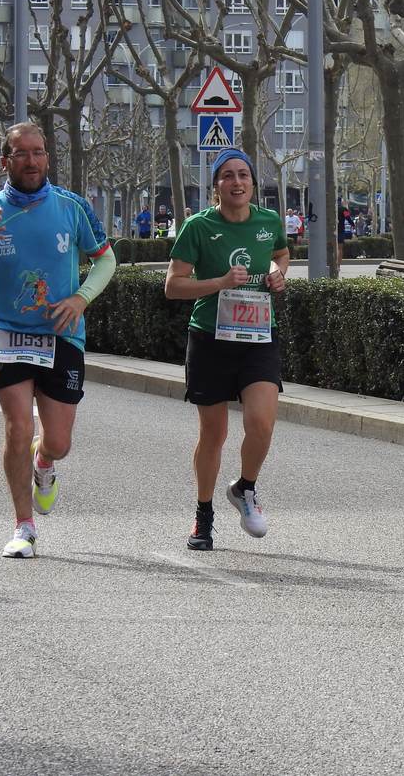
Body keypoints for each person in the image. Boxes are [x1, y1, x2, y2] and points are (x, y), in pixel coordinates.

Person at [0, 122, 116, 559]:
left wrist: (81, 296)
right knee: (19, 428)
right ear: (5, 161)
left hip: (63, 334)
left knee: (58, 441)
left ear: (47, 158)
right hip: (8, 334)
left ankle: (45, 463)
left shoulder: (71, 207)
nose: (31, 161)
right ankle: (23, 526)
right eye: (22, 154)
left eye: (38, 152)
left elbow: (106, 259)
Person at [164, 148, 289, 551]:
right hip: (211, 338)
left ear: (253, 183)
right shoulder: (198, 227)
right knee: (213, 434)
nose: (237, 183)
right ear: (215, 186)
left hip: (257, 337)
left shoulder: (269, 221)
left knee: (262, 422)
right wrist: (218, 282)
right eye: (228, 176)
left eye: (244, 176)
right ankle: (203, 517)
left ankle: (245, 488)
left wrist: (276, 274)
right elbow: (173, 285)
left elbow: (280, 255)